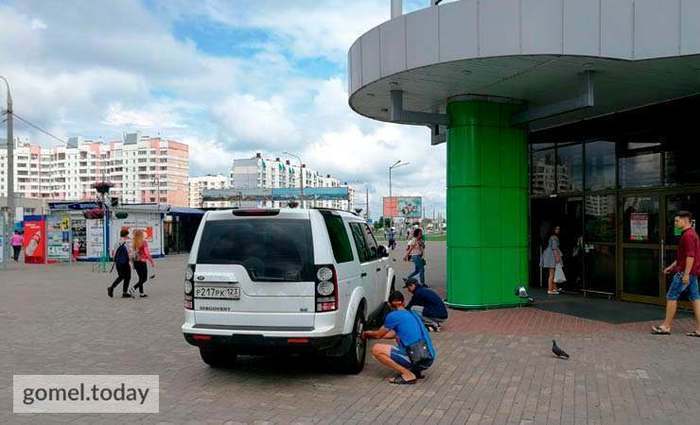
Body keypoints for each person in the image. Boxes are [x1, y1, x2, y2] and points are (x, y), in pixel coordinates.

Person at [362, 291, 436, 385]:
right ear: (403, 301)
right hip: (428, 357)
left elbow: (378, 335)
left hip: (417, 357)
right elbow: (394, 334)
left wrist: (366, 334)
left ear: (389, 304)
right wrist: (376, 336)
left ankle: (408, 375)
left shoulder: (393, 316)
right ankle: (416, 371)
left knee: (376, 349)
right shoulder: (412, 314)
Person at [652, 211, 700, 336]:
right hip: (692, 272)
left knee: (671, 296)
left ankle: (666, 326)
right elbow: (683, 256)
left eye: (677, 220)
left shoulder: (688, 236)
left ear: (685, 220)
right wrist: (671, 266)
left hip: (684, 273)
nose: (675, 223)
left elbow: (690, 256)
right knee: (696, 299)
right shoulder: (692, 234)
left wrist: (685, 274)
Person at [130, 229, 155, 298]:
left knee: (140, 278)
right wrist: (151, 261)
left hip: (136, 262)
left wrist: (132, 264)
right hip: (142, 262)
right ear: (141, 235)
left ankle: (142, 293)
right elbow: (147, 253)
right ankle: (133, 288)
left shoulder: (134, 243)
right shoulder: (144, 242)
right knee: (144, 279)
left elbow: (132, 254)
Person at [108, 229, 132, 298]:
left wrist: (115, 260)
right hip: (125, 263)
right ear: (126, 235)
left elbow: (114, 253)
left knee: (121, 276)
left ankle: (112, 287)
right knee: (127, 277)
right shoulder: (125, 242)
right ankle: (124, 292)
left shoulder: (117, 242)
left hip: (118, 263)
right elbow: (129, 253)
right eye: (127, 235)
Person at [540, 225, 563, 295]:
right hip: (552, 257)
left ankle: (554, 288)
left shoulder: (550, 237)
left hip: (549, 256)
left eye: (559, 229)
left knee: (552, 273)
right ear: (553, 230)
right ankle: (550, 289)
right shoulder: (554, 237)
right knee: (552, 273)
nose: (558, 230)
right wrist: (557, 258)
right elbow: (554, 248)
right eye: (556, 229)